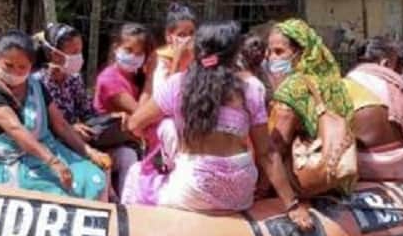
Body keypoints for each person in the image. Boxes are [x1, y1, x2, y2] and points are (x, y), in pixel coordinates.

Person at [124, 21, 298, 212]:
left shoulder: (178, 85)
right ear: (235, 55)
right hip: (241, 195)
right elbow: (267, 153)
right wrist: (292, 205)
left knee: (136, 173)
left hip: (192, 192)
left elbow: (134, 124)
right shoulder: (252, 88)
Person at [0, 31, 111, 200]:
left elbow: (61, 125)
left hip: (44, 152)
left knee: (95, 177)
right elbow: (16, 130)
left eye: (22, 67)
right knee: (59, 192)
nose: (15, 72)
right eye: (8, 65)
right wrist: (54, 163)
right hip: (6, 162)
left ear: (31, 65)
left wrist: (89, 152)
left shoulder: (36, 86)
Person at [266, 18, 355, 231]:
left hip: (309, 177)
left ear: (301, 53)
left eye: (279, 52)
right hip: (339, 175)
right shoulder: (334, 81)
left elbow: (276, 148)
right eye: (269, 52)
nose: (270, 58)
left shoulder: (292, 89)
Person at [93, 23, 158, 194]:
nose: (133, 57)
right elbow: (141, 114)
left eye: (139, 53)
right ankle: (127, 203)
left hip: (131, 140)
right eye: (128, 50)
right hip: (107, 143)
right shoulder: (109, 79)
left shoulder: (135, 77)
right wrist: (151, 77)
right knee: (127, 156)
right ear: (116, 48)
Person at [344, 37, 403, 180]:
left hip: (364, 166)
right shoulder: (396, 84)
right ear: (385, 63)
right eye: (397, 66)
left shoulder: (346, 83)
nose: (398, 72)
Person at [36, 22, 95, 134]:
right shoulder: (37, 83)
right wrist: (71, 128)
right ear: (55, 55)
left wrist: (108, 119)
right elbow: (40, 124)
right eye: (74, 52)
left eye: (80, 51)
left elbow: (87, 112)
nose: (79, 56)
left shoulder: (74, 78)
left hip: (79, 137)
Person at [153, 3, 198, 88]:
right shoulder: (160, 61)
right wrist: (177, 60)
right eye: (181, 35)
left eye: (192, 33)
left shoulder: (197, 57)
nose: (188, 39)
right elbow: (166, 95)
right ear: (169, 36)